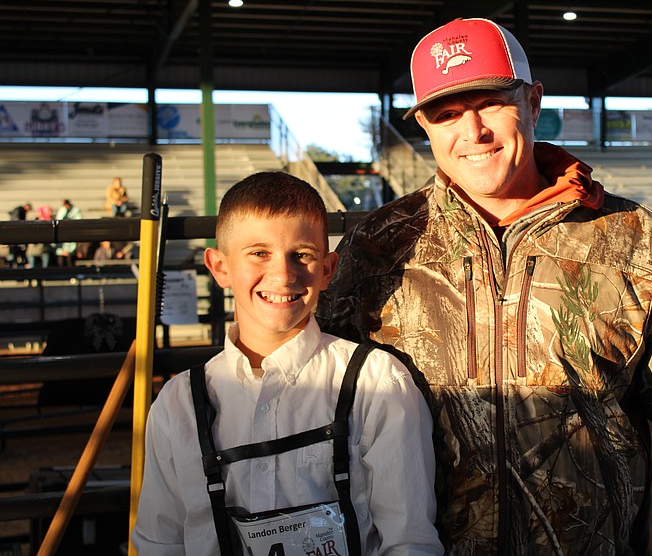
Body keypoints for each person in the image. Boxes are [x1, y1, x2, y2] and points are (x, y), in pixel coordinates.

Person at [318, 18, 652, 554]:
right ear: (426, 128)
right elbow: (320, 416)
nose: (472, 130)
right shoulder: (377, 248)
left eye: (491, 103)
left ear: (533, 101)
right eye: (447, 113)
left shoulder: (636, 242)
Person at [131, 171, 442, 555]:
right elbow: (160, 543)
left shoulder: (377, 383)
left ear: (327, 270)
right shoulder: (177, 404)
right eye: (259, 253)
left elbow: (409, 541)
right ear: (220, 267)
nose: (282, 274)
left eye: (302, 255)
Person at [54, 199, 83, 266]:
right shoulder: (62, 210)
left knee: (70, 261)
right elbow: (59, 218)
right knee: (61, 262)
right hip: (63, 239)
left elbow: (78, 219)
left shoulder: (75, 210)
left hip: (71, 234)